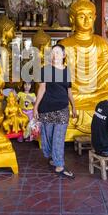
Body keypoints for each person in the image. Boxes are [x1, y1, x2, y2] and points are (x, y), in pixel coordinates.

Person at [33, 44, 77, 179]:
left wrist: (73, 106)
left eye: (57, 52)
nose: (54, 55)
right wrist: (35, 107)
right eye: (52, 53)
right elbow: (42, 89)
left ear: (63, 55)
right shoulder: (45, 70)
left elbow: (68, 91)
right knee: (48, 137)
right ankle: (53, 158)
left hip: (62, 109)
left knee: (58, 137)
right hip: (46, 109)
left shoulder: (66, 71)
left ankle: (59, 165)